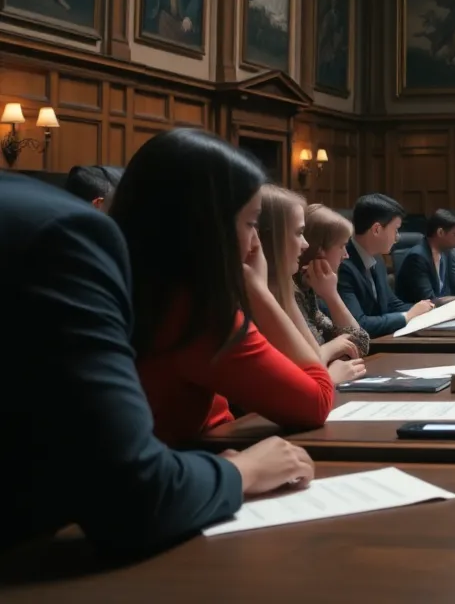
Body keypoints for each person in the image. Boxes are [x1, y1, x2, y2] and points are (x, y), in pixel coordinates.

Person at [1, 170, 314, 558]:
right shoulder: (66, 231)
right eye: (251, 224)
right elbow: (130, 494)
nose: (255, 242)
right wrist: (244, 470)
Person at [111, 129, 334, 446]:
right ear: (209, 225)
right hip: (195, 474)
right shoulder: (195, 312)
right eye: (250, 224)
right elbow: (317, 401)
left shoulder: (121, 284)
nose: (255, 242)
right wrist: (258, 290)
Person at [257, 186, 365, 384]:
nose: (304, 244)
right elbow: (306, 372)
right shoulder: (266, 296)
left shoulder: (297, 289)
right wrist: (332, 354)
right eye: (299, 233)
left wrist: (331, 295)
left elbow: (359, 345)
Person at [337, 193, 433, 338]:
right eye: (396, 229)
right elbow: (359, 324)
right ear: (376, 229)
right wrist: (407, 316)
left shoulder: (377, 257)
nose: (397, 237)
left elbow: (391, 304)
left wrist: (430, 310)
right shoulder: (342, 264)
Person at [297, 203, 371, 357]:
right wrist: (331, 295)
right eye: (342, 246)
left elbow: (360, 345)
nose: (346, 255)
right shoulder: (290, 291)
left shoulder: (310, 288)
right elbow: (311, 360)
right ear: (318, 249)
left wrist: (331, 295)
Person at [397, 208, 455, 303]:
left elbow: (446, 291)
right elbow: (427, 298)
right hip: (417, 314)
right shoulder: (417, 257)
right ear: (440, 232)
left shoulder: (446, 253)